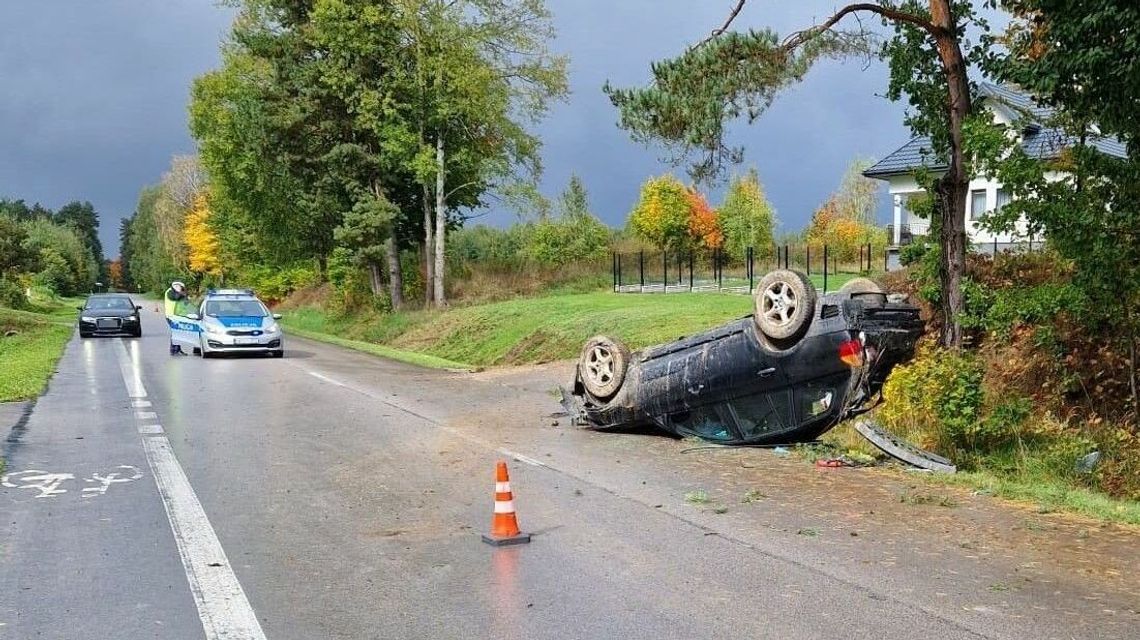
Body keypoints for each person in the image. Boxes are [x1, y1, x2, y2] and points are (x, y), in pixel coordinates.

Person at [164, 281, 192, 355]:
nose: (180, 289)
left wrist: (186, 297)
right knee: (175, 333)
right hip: (171, 316)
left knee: (178, 333)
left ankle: (178, 349)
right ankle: (174, 350)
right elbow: (176, 297)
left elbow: (185, 303)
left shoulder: (177, 293)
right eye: (180, 287)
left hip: (177, 316)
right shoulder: (169, 292)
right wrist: (183, 294)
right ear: (175, 286)